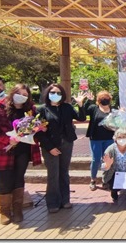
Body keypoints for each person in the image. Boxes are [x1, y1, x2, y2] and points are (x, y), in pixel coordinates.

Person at [0, 83, 42, 225]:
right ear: (12, 93)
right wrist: (7, 139)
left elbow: (33, 126)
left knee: (18, 178)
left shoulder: (30, 108)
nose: (22, 97)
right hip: (3, 150)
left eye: (25, 95)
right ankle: (5, 212)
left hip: (23, 150)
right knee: (4, 180)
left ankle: (18, 209)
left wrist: (37, 129)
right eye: (19, 93)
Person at [36, 84, 87, 213]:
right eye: (53, 92)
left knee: (64, 171)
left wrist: (81, 105)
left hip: (67, 143)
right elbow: (38, 132)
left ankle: (65, 200)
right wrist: (50, 147)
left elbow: (81, 118)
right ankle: (53, 202)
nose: (56, 95)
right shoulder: (42, 109)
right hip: (50, 145)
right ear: (47, 94)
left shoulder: (67, 107)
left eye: (59, 93)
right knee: (53, 173)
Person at [84, 90, 116, 191]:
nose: (104, 100)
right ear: (98, 100)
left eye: (106, 98)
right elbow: (84, 112)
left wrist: (121, 114)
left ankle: (105, 180)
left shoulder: (113, 110)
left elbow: (119, 123)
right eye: (102, 98)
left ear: (110, 100)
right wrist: (87, 101)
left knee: (107, 159)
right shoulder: (94, 108)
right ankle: (93, 179)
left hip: (109, 139)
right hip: (95, 139)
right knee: (95, 159)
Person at [101, 128, 126, 203]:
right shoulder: (110, 149)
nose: (122, 139)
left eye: (124, 137)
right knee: (112, 184)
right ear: (115, 139)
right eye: (119, 137)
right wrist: (108, 165)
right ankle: (114, 191)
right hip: (114, 173)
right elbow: (103, 166)